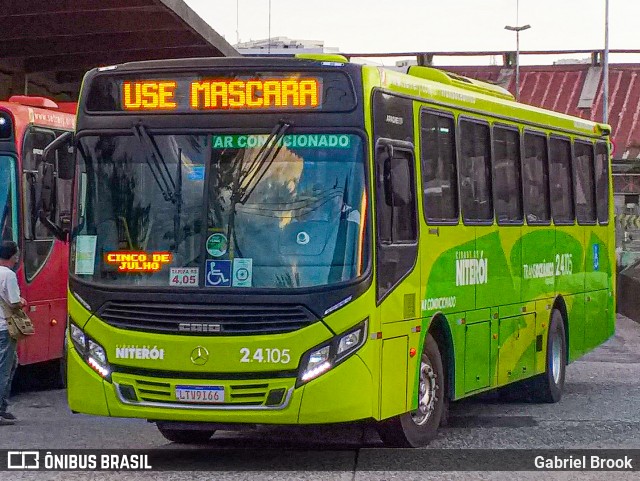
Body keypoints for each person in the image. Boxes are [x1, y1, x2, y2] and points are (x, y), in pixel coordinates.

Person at [0, 241, 26, 426]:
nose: (18, 258)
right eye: (16, 254)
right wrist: (23, 301)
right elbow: (14, 301)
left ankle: (3, 406)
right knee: (4, 369)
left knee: (12, 363)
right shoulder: (8, 275)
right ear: (12, 256)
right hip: (5, 328)